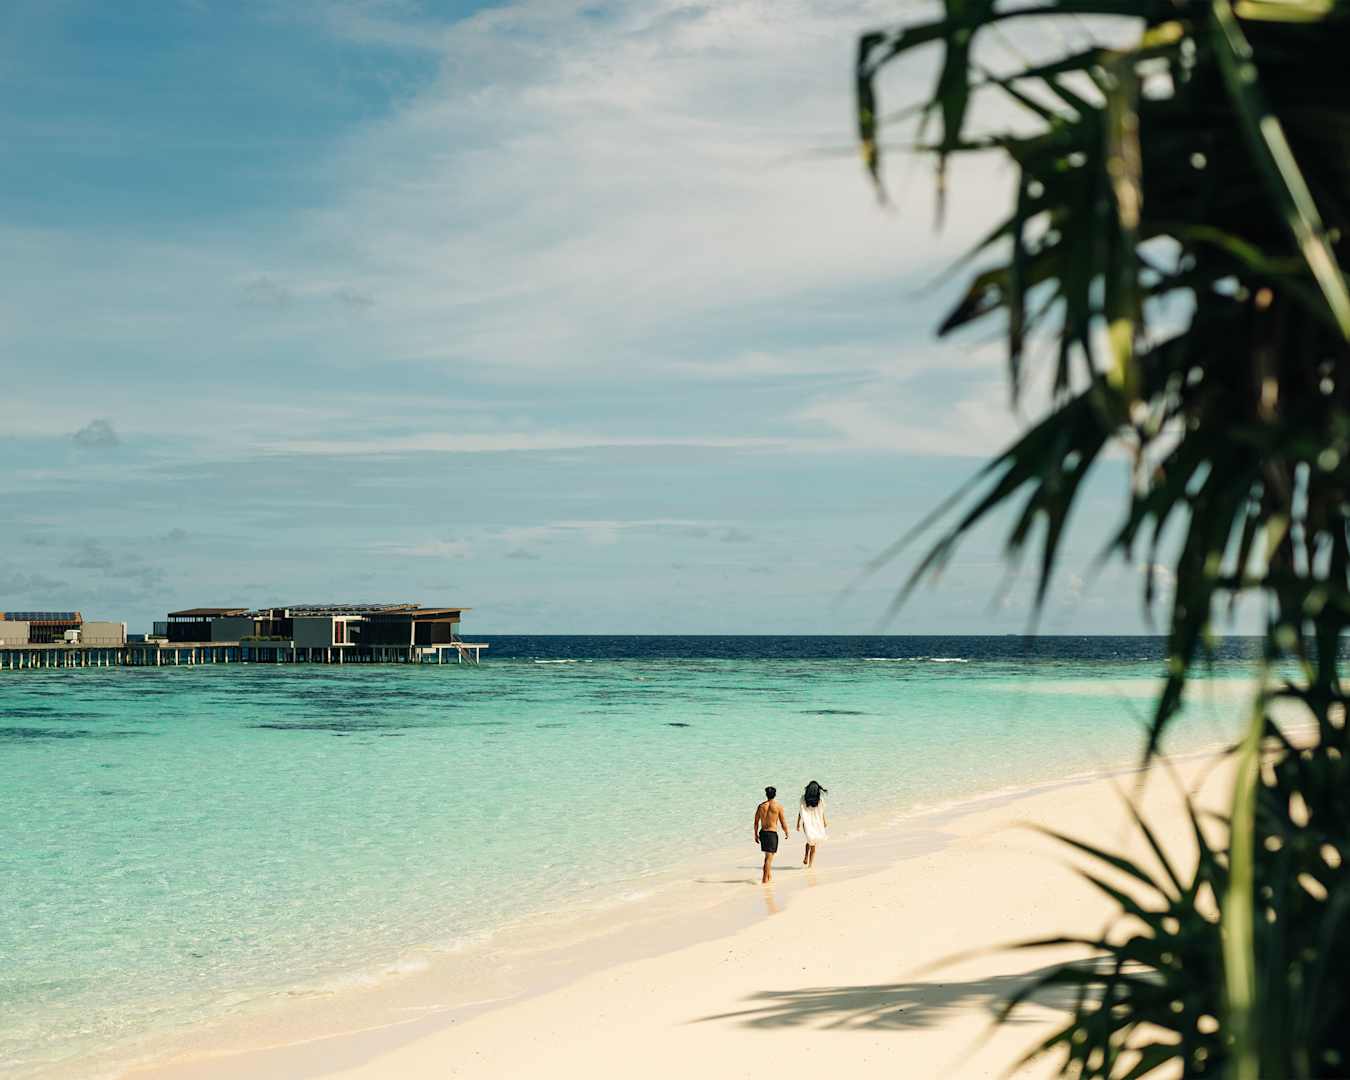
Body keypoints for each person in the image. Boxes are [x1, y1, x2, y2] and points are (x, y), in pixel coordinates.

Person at [752, 786, 789, 884]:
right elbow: (782, 821)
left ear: (766, 794)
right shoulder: (778, 806)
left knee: (767, 856)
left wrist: (755, 834)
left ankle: (768, 877)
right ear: (775, 794)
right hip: (771, 834)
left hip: (763, 833)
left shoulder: (761, 806)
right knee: (768, 859)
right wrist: (786, 831)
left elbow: (756, 822)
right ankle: (764, 880)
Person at [796, 780, 829, 868]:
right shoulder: (820, 800)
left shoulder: (803, 798)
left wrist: (798, 823)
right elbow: (821, 812)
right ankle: (810, 865)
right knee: (813, 844)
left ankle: (806, 856)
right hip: (817, 823)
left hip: (806, 823)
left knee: (810, 840)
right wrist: (824, 822)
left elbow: (800, 811)